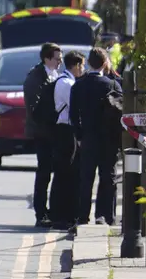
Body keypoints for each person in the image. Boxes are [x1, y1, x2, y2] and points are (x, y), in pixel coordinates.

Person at [70, 47, 123, 226]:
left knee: (86, 178)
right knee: (107, 178)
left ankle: (82, 216)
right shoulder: (112, 85)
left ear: (90, 63)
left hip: (88, 138)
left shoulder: (78, 85)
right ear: (105, 62)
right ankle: (104, 216)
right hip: (109, 139)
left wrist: (79, 136)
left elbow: (73, 114)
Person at [22, 42, 62, 227]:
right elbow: (34, 108)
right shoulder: (35, 77)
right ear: (47, 58)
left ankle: (53, 210)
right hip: (43, 131)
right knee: (44, 171)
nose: (59, 62)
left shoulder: (54, 74)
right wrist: (53, 116)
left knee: (54, 171)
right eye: (57, 59)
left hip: (53, 131)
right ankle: (40, 212)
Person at [50, 51, 85, 230]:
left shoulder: (68, 81)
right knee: (64, 173)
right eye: (82, 66)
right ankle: (59, 215)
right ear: (76, 65)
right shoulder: (67, 83)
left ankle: (65, 214)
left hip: (67, 130)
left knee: (69, 172)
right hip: (64, 130)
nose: (83, 69)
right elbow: (75, 108)